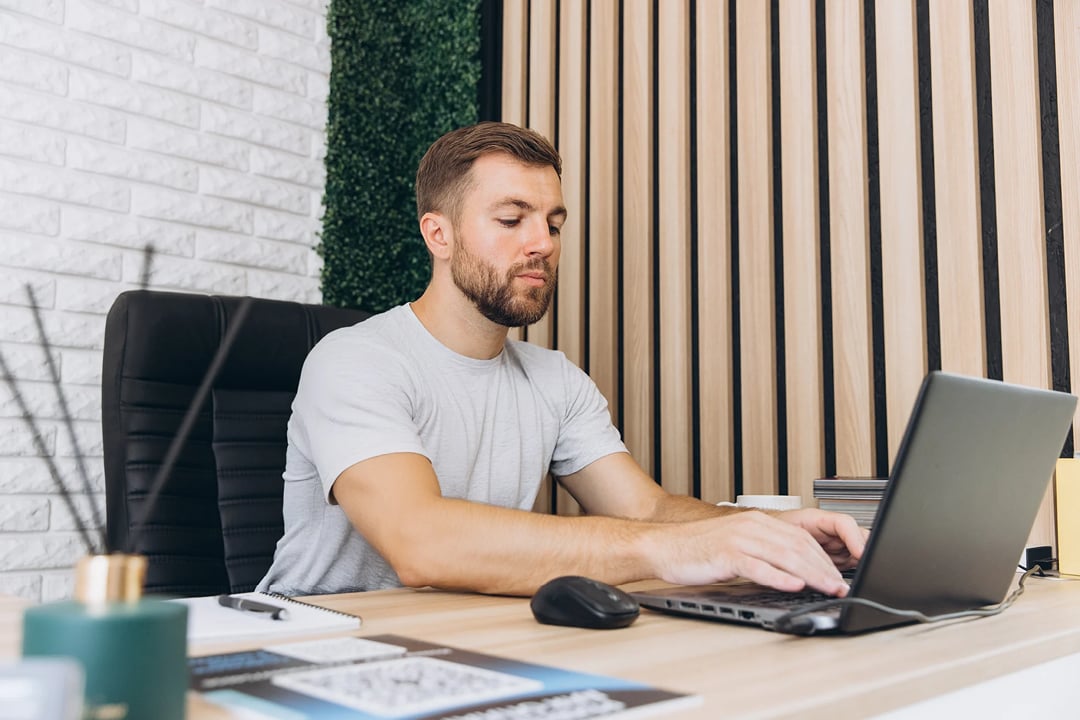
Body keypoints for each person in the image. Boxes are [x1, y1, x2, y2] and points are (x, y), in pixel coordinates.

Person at [258, 121, 866, 598]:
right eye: (511, 219)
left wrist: (760, 531)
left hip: (459, 636)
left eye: (553, 223)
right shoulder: (355, 360)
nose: (542, 244)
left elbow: (646, 509)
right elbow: (421, 543)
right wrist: (666, 552)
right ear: (438, 235)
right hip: (319, 638)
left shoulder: (555, 380)